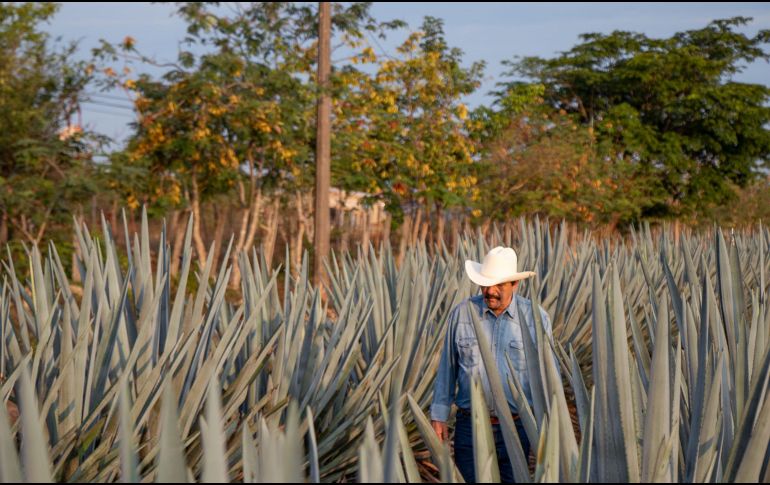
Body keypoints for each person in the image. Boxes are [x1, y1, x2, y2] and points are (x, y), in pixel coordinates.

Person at [430, 246, 556, 483]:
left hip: (516, 428)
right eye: (485, 284)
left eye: (499, 285)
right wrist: (439, 415)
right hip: (470, 426)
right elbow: (448, 367)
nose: (490, 291)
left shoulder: (535, 319)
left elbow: (548, 377)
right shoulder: (463, 314)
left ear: (515, 285)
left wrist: (548, 428)